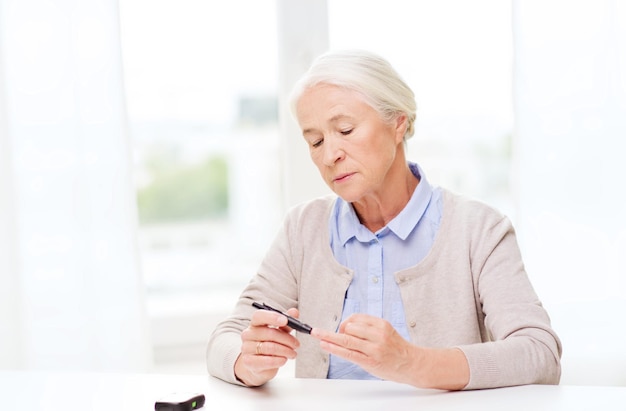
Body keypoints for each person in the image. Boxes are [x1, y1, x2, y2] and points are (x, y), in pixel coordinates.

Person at [206, 49, 562, 390]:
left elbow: (540, 353)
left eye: (345, 130)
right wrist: (246, 362)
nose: (330, 155)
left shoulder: (479, 229)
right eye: (315, 141)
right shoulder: (303, 228)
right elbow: (225, 338)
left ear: (398, 123)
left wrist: (413, 362)